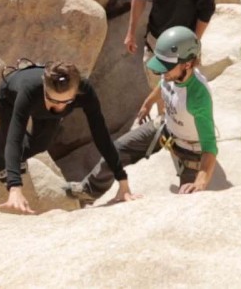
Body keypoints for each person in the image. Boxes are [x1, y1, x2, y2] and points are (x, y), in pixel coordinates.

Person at [66, 26, 219, 204]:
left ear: (188, 63)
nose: (162, 71)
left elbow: (210, 147)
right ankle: (89, 190)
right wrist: (148, 103)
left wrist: (200, 182)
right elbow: (164, 85)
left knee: (187, 201)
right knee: (116, 150)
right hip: (166, 127)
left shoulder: (198, 97)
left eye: (166, 68)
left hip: (190, 152)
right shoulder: (172, 72)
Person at [0, 59, 130, 213]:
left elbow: (101, 134)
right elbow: (14, 139)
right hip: (10, 98)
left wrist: (122, 179)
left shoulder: (85, 91)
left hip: (40, 104)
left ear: (76, 92)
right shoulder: (30, 90)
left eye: (67, 101)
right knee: (7, 137)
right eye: (53, 100)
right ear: (44, 87)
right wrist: (14, 187)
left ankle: (18, 157)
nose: (59, 107)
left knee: (40, 145)